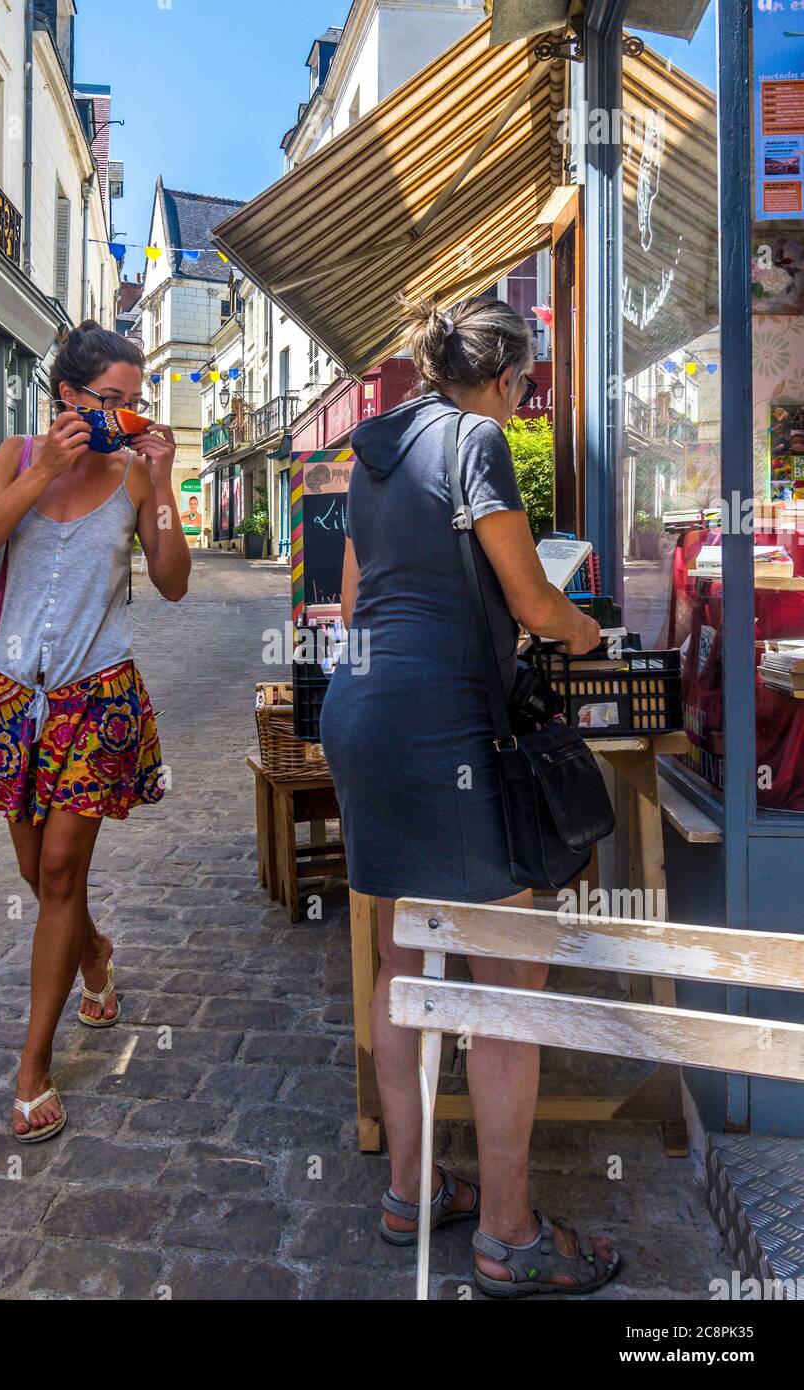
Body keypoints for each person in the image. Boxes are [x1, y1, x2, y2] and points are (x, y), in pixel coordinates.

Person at [319, 295, 621, 1297]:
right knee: (502, 983)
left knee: (406, 958)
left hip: (363, 716)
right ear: (502, 377)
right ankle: (507, 1233)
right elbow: (533, 598)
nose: (526, 400)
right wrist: (580, 632)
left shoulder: (374, 448)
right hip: (441, 723)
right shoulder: (479, 439)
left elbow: (360, 603)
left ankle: (411, 1191)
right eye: (528, 383)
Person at [0, 320, 191, 1142]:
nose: (124, 415)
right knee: (35, 869)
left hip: (98, 697)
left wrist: (161, 488)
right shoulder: (19, 455)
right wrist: (44, 470)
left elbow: (172, 584)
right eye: (110, 401)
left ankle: (32, 1067)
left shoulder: (132, 474)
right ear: (67, 397)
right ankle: (92, 952)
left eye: (135, 403)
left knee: (59, 868)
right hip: (16, 698)